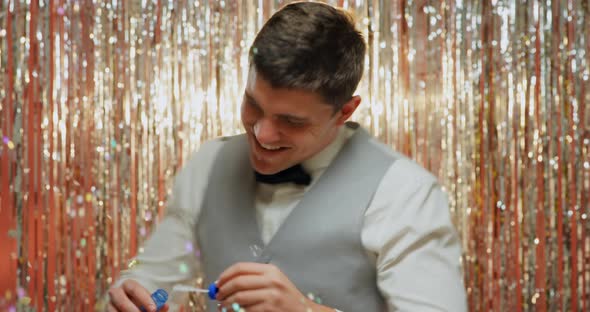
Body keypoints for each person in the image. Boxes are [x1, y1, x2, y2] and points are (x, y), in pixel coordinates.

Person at [107, 2, 467, 311]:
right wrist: (134, 283)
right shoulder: (210, 162)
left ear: (344, 112)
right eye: (253, 104)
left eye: (291, 122)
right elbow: (156, 267)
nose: (262, 134)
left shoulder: (406, 192)